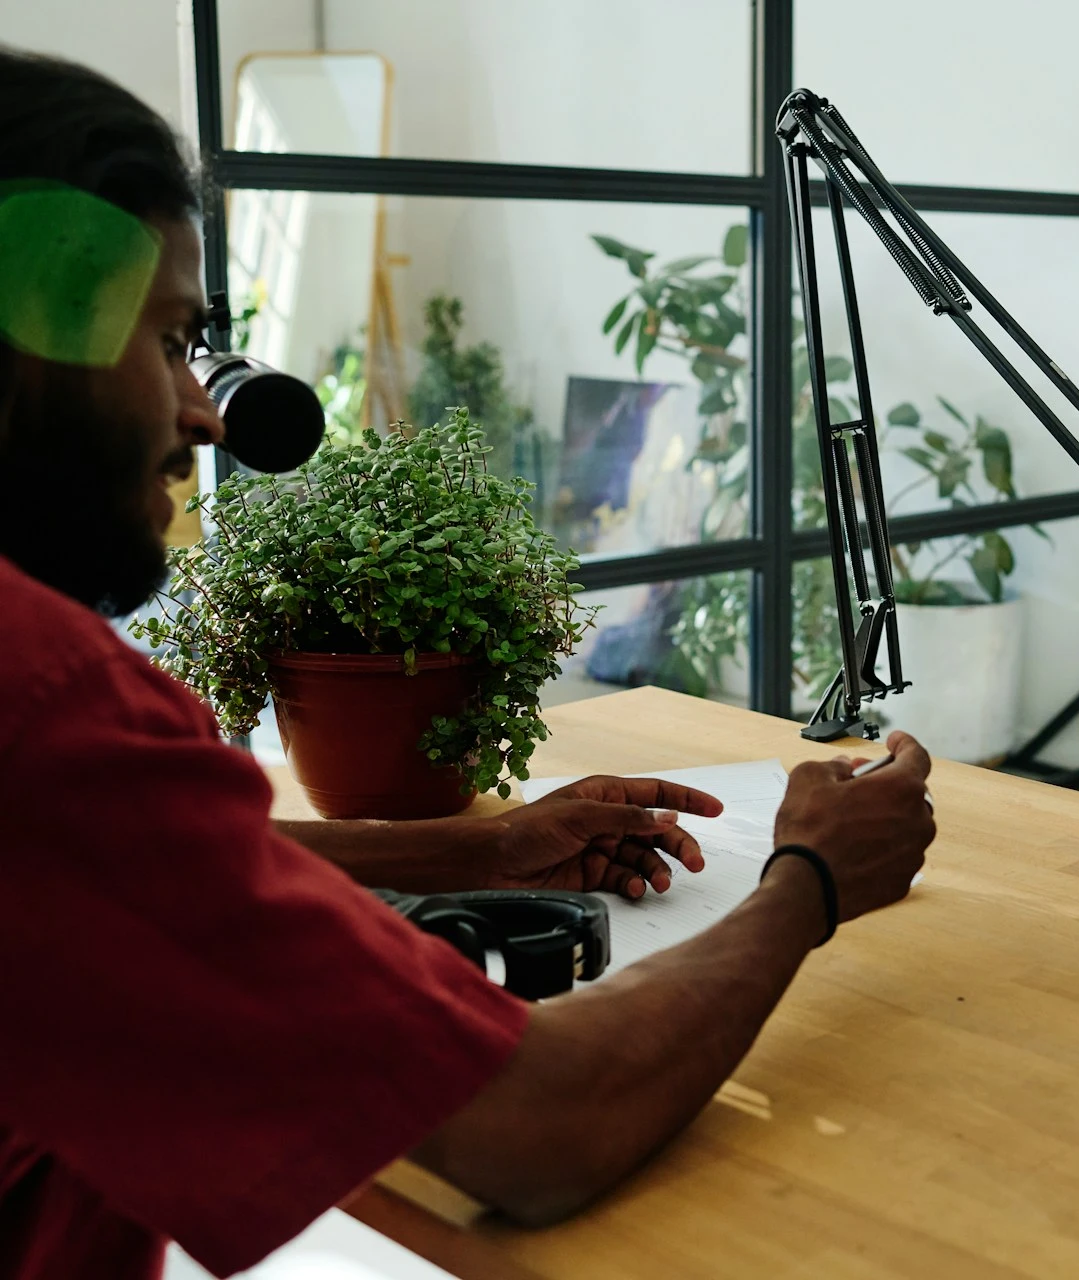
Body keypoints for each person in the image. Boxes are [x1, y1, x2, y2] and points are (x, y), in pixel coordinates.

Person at [0, 47, 937, 1279]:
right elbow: (533, 1124)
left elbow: (123, 875)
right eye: (172, 341)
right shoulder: (40, 703)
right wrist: (806, 880)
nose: (206, 411)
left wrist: (484, 845)